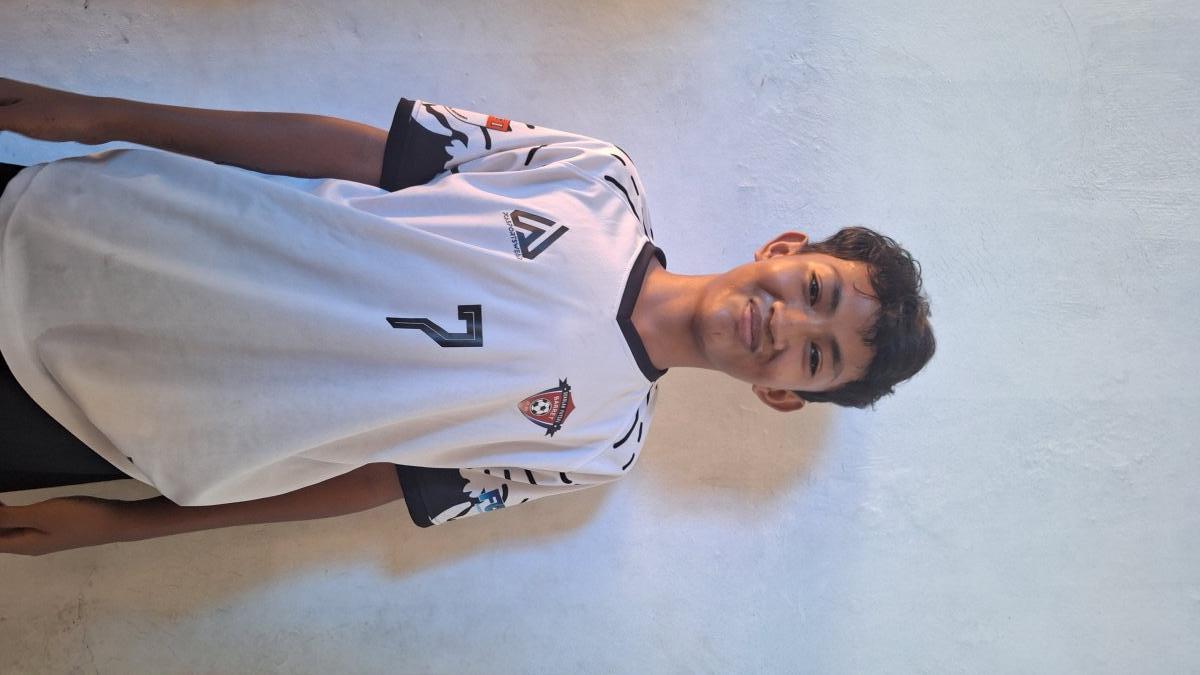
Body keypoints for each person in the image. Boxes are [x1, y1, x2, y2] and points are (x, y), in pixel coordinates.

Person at [0, 78, 934, 556]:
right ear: (786, 248)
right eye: (815, 291)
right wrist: (96, 113)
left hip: (113, 423)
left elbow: (378, 481)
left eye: (816, 358)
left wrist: (127, 526)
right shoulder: (596, 177)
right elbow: (354, 154)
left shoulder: (596, 446)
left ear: (781, 395)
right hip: (112, 236)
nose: (787, 326)